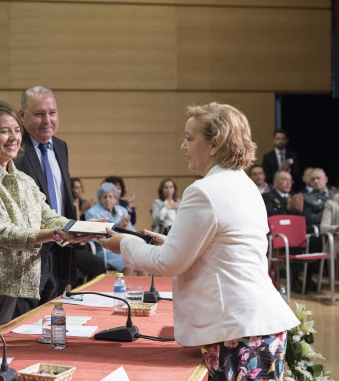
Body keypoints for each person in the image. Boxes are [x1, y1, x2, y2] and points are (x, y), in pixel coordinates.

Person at [99, 102, 298, 381]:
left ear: (214, 144)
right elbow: (225, 248)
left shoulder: (203, 191)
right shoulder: (244, 184)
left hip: (240, 330)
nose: (183, 146)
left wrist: (123, 244)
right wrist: (171, 242)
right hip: (257, 325)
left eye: (190, 139)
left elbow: (169, 263)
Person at [0, 100, 90, 346]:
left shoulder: (22, 179)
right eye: (4, 131)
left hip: (8, 284)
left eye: (17, 130)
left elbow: (48, 215)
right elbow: (3, 233)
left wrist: (80, 228)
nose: (13, 137)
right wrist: (57, 233)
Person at [15, 86, 103, 311]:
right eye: (39, 114)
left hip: (61, 247)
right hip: (31, 253)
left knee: (54, 311)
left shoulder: (61, 147)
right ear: (21, 115)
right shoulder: (15, 150)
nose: (47, 120)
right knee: (29, 318)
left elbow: (63, 197)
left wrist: (77, 228)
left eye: (52, 113)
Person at [84, 182, 134, 272]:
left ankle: (142, 285)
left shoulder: (122, 210)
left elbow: (131, 230)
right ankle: (126, 286)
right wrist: (117, 227)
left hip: (124, 246)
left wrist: (128, 229)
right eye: (104, 197)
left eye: (110, 197)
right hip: (105, 248)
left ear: (115, 199)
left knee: (142, 260)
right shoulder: (92, 212)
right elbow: (96, 236)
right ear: (100, 199)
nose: (107, 199)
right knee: (129, 262)